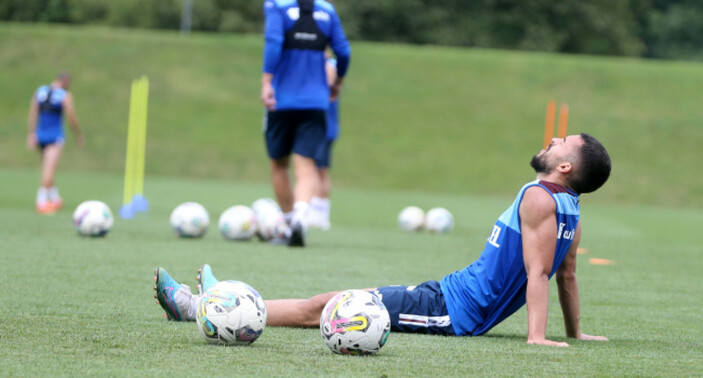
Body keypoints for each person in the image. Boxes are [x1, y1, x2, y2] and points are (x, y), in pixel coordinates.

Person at [154, 133, 611, 347]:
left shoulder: (537, 198)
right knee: (328, 301)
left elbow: (538, 273)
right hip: (449, 294)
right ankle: (214, 301)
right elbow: (565, 274)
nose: (552, 139)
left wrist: (536, 338)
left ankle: (201, 307)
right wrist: (574, 332)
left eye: (562, 143)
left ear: (566, 168)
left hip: (452, 311)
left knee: (325, 306)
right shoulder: (570, 206)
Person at [260, 0, 351, 246]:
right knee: (307, 166)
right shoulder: (327, 10)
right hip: (315, 102)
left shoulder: (276, 6)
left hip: (281, 100)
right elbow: (343, 52)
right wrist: (338, 81)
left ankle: (290, 225)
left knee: (279, 165)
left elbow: (274, 42)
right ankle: (301, 216)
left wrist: (267, 81)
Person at [27, 72, 84, 214]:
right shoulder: (65, 95)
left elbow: (33, 112)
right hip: (54, 137)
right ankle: (41, 201)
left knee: (47, 168)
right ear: (66, 82)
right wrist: (78, 134)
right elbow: (71, 116)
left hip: (41, 135)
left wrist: (31, 134)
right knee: (49, 169)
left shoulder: (40, 91)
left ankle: (55, 198)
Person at [307, 54, 340, 230]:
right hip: (324, 127)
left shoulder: (329, 65)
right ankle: (319, 212)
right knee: (317, 170)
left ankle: (319, 213)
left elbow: (327, 84)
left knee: (317, 170)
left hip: (323, 128)